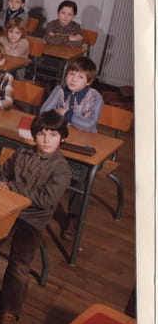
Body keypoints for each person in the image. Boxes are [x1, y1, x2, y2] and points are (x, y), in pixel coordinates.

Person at [0, 111, 71, 324]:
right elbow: (3, 172)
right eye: (41, 134)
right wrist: (2, 180)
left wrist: (12, 187)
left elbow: (46, 199)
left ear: (62, 138)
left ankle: (9, 314)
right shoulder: (22, 153)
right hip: (6, 213)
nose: (46, 139)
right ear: (34, 135)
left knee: (20, 266)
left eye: (53, 135)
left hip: (31, 221)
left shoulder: (61, 169)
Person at [40, 56, 104, 240]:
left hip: (83, 144)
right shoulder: (59, 90)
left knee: (82, 176)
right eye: (71, 74)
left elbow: (89, 124)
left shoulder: (95, 97)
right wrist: (76, 118)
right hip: (59, 141)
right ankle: (41, 205)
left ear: (89, 81)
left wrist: (64, 113)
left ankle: (73, 217)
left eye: (80, 77)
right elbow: (43, 112)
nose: (73, 79)